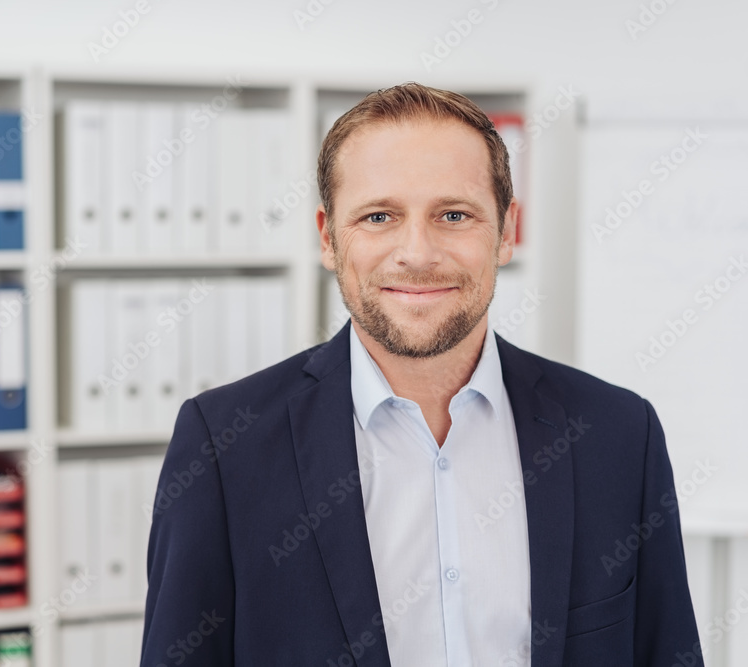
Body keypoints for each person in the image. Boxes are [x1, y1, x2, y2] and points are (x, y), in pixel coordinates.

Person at [140, 82, 701, 667]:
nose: (417, 253)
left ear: (506, 231)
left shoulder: (617, 433)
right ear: (329, 237)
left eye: (453, 215)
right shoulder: (225, 445)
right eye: (379, 216)